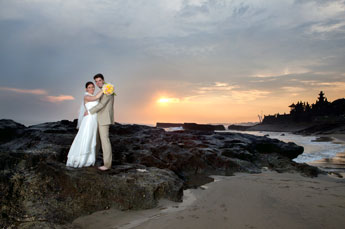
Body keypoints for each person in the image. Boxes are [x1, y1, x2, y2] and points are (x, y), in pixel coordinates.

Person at [66, 82, 103, 168]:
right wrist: (106, 88)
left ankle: (89, 158)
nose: (92, 89)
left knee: (92, 137)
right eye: (89, 87)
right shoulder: (86, 97)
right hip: (89, 120)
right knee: (86, 136)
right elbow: (97, 97)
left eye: (93, 87)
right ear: (86, 89)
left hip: (94, 120)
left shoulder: (93, 98)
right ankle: (82, 158)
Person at [87, 73, 115, 171]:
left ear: (103, 80)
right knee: (97, 141)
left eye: (99, 80)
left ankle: (107, 165)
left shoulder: (108, 89)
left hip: (104, 119)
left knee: (105, 141)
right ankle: (92, 160)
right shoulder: (102, 90)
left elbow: (102, 104)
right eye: (96, 81)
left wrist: (89, 111)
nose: (98, 82)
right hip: (98, 118)